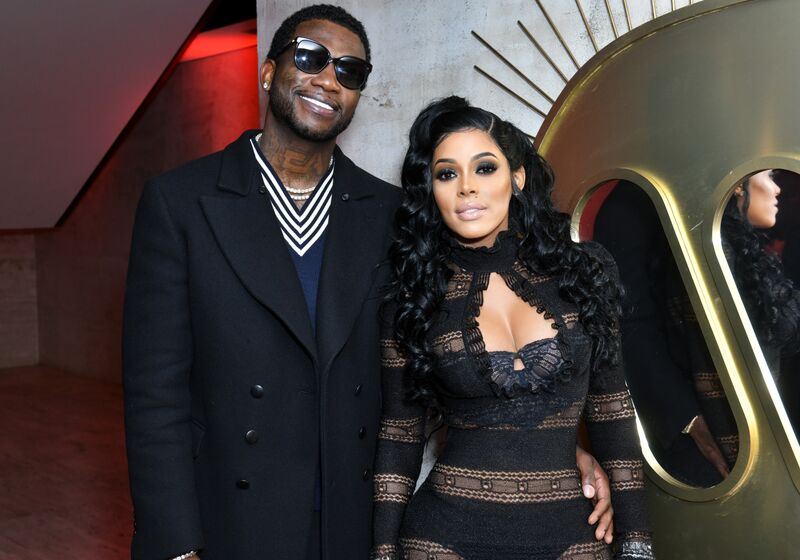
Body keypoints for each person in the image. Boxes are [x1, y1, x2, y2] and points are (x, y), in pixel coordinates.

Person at [123, 6, 614, 560]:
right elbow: (153, 395)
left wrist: (548, 443)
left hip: (351, 515)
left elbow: (462, 330)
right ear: (268, 72)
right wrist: (174, 542)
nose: (329, 79)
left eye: (350, 72)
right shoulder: (181, 203)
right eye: (310, 57)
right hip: (230, 515)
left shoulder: (388, 213)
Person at [372, 97, 653, 559]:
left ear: (517, 178)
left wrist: (638, 544)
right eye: (447, 174)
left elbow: (612, 411)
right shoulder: (413, 295)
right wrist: (383, 554)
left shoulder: (584, 272)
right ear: (431, 190)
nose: (466, 188)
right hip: (441, 538)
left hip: (573, 536)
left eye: (484, 168)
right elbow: (399, 435)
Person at [594, 181, 737, 487]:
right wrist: (688, 420)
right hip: (694, 422)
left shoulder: (740, 187)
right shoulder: (633, 201)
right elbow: (629, 322)